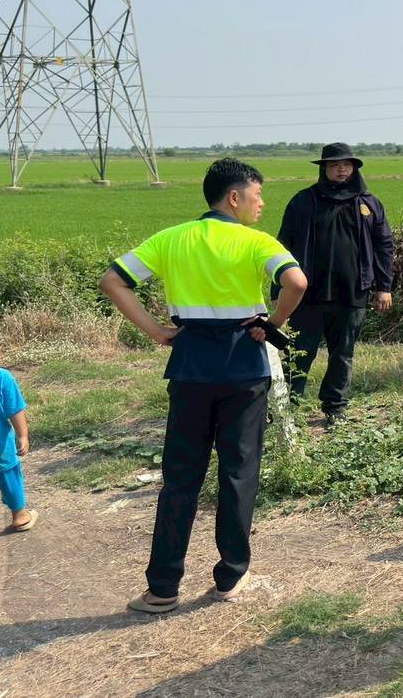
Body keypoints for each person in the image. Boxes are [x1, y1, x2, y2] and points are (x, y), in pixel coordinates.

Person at [101, 158, 307, 614]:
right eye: (257, 196)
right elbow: (296, 281)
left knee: (180, 478)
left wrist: (156, 330)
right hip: (244, 365)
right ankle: (231, 578)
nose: (261, 204)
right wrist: (272, 323)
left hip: (190, 361)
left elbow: (113, 280)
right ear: (234, 197)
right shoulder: (256, 242)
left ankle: (162, 588)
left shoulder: (171, 238)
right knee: (238, 472)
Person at [276, 142, 395, 423]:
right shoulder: (304, 201)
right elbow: (283, 246)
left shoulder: (368, 203)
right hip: (308, 296)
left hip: (352, 293)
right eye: (334, 165)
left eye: (346, 165)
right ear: (324, 169)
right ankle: (287, 409)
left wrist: (384, 286)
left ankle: (335, 408)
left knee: (342, 354)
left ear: (354, 168)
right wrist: (278, 290)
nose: (341, 170)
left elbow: (384, 246)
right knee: (299, 354)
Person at [0, 320, 35, 533]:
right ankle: (20, 516)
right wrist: (23, 436)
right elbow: (15, 410)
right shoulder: (1, 377)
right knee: (9, 473)